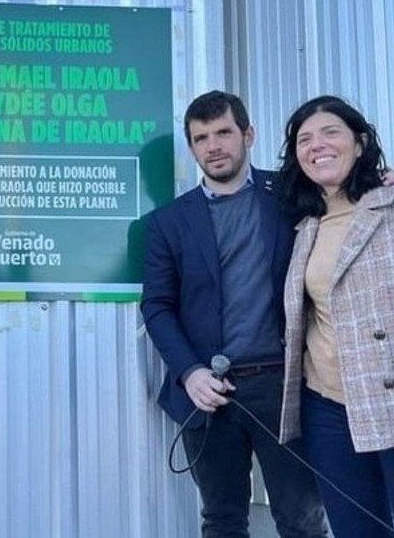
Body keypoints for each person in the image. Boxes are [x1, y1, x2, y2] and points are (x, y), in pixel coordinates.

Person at [141, 90, 328, 537]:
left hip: (285, 386)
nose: (214, 145)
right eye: (201, 137)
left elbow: (345, 195)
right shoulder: (169, 222)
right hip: (209, 393)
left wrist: (380, 180)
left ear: (248, 134)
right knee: (222, 520)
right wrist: (189, 373)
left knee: (302, 519)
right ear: (191, 147)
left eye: (223, 132)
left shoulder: (290, 195)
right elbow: (157, 305)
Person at [278, 95, 394, 537]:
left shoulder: (387, 205)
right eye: (304, 140)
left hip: (386, 397)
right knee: (356, 530)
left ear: (360, 143)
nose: (317, 146)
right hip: (327, 409)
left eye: (330, 133)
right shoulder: (305, 225)